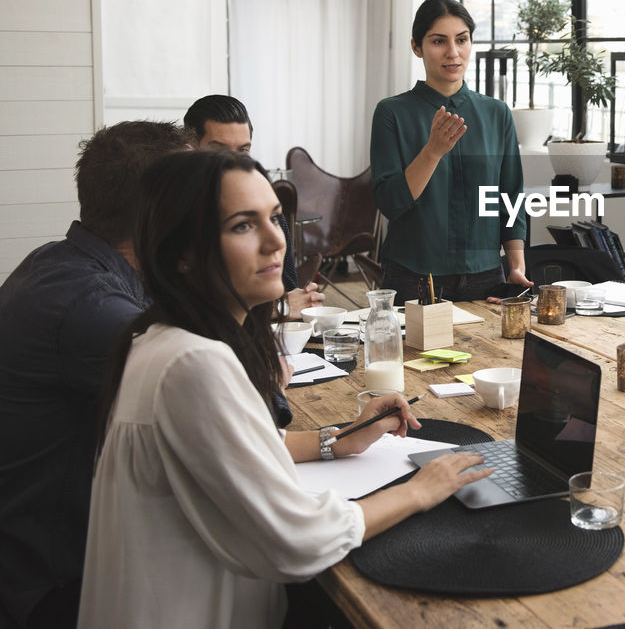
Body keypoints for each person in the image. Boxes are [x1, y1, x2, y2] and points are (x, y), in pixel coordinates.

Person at [78, 149, 490, 629]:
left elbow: (239, 448)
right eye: (242, 225)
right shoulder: (193, 362)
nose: (276, 241)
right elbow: (297, 541)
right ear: (182, 255)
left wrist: (338, 439)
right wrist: (421, 491)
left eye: (274, 218)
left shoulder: (161, 338)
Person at [0, 121, 188, 629]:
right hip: (58, 585)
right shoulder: (93, 309)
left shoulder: (62, 263)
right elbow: (234, 413)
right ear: (163, 216)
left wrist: (330, 441)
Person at [371, 0, 533, 304]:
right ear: (416, 47)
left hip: (487, 278)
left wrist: (516, 265)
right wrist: (432, 152)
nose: (453, 53)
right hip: (414, 278)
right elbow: (390, 202)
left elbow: (510, 197)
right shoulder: (392, 113)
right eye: (438, 41)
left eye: (462, 40)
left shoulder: (496, 113)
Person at [184, 94, 325, 320]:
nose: (232, 161)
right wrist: (281, 308)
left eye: (242, 151)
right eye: (218, 150)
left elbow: (286, 291)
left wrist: (298, 302)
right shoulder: (177, 216)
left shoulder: (268, 213)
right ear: (191, 148)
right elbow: (188, 309)